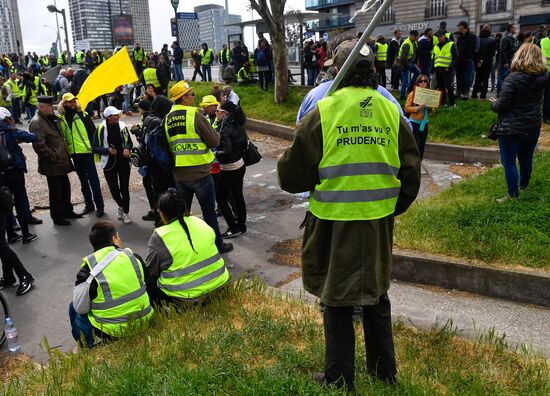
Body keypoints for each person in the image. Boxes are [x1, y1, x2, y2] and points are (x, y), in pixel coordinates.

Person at [278, 38, 421, 390]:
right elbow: (411, 172)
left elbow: (291, 175)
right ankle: (383, 371)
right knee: (376, 292)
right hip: (377, 223)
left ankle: (339, 378)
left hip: (333, 222)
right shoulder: (390, 111)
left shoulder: (323, 111)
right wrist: (389, 207)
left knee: (337, 298)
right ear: (373, 71)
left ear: (335, 71)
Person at [165, 81, 233, 254]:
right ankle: (217, 245)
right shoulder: (193, 115)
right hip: (200, 173)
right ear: (184, 98)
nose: (194, 97)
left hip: (180, 175)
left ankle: (188, 248)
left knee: (183, 216)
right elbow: (214, 141)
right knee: (209, 213)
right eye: (191, 94)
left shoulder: (167, 118)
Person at [70, 221, 153, 349]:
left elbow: (81, 308)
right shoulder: (133, 258)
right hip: (144, 321)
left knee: (73, 307)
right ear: (114, 239)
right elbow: (151, 288)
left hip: (111, 332)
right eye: (118, 236)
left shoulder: (88, 270)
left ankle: (87, 346)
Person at [144, 189, 230, 305]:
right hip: (221, 285)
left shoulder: (160, 236)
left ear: (162, 213)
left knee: (148, 283)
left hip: (187, 298)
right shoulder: (199, 222)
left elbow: (150, 272)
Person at [490, 44, 548, 203]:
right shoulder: (543, 76)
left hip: (512, 128)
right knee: (526, 158)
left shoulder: (513, 78)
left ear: (519, 56)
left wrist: (493, 104)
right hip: (533, 125)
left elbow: (502, 105)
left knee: (508, 162)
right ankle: (523, 186)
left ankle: (513, 195)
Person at [30, 96, 81, 226]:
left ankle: (67, 211)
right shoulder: (37, 122)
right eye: (49, 106)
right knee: (56, 192)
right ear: (42, 107)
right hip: (52, 164)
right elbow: (39, 146)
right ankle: (58, 218)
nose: (52, 108)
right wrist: (55, 157)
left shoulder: (50, 118)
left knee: (65, 188)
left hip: (60, 161)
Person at [58, 93, 105, 217]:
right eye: (70, 102)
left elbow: (93, 133)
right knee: (83, 182)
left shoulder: (82, 115)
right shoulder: (61, 119)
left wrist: (93, 149)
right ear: (64, 103)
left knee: (94, 181)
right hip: (74, 154)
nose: (73, 103)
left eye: (74, 101)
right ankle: (89, 205)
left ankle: (100, 207)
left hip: (86, 152)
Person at [0, 107, 37, 244]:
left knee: (6, 204)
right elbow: (32, 137)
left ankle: (11, 235)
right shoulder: (11, 131)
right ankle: (26, 234)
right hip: (15, 171)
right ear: (7, 118)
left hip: (2, 173)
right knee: (20, 202)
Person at [93, 106, 133, 224]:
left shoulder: (122, 126)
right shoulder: (101, 128)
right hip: (109, 164)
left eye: (117, 115)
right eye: (115, 115)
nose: (118, 117)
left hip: (124, 162)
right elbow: (94, 147)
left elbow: (129, 142)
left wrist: (127, 148)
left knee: (124, 188)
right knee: (114, 189)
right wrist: (107, 151)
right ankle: (121, 205)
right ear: (108, 117)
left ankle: (126, 213)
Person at [214, 100, 248, 238]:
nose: (216, 114)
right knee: (238, 195)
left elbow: (227, 151)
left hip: (229, 168)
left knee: (220, 197)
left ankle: (233, 228)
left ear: (225, 114)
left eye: (218, 111)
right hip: (240, 165)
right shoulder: (237, 124)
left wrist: (215, 153)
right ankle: (241, 225)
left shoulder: (226, 129)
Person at [141, 95, 175, 221]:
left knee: (157, 190)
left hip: (151, 161)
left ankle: (157, 213)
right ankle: (164, 217)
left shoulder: (148, 118)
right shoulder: (157, 122)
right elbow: (163, 144)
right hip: (159, 163)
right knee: (164, 191)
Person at [405, 75, 434, 159]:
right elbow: (407, 108)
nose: (423, 83)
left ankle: (419, 164)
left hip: (425, 123)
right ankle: (413, 163)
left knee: (422, 147)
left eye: (425, 81)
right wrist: (418, 108)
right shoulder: (413, 93)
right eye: (420, 81)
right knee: (415, 146)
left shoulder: (429, 94)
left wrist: (430, 108)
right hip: (414, 123)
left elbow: (432, 111)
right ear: (417, 83)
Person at [433, 31, 457, 107]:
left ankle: (452, 103)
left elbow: (456, 57)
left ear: (444, 36)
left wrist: (450, 67)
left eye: (440, 36)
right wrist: (433, 69)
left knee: (449, 87)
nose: (439, 38)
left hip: (447, 69)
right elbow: (434, 58)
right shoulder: (436, 46)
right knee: (441, 87)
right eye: (438, 37)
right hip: (438, 69)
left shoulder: (451, 44)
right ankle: (443, 102)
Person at [472, 25, 496, 100]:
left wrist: (478, 61)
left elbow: (475, 52)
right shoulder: (492, 40)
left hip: (478, 62)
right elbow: (492, 53)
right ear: (489, 30)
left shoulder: (477, 39)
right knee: (485, 79)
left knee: (477, 78)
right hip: (488, 62)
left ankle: (474, 95)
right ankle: (483, 96)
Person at [455, 21, 477, 99]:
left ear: (463, 26)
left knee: (467, 77)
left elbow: (472, 48)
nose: (458, 28)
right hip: (459, 60)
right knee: (459, 76)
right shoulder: (460, 37)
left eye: (459, 26)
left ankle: (465, 92)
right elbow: (458, 48)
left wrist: (467, 58)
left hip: (467, 60)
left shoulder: (472, 36)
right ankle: (458, 91)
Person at [397, 30, 420, 99]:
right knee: (405, 80)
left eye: (416, 37)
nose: (416, 38)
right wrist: (408, 66)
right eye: (415, 37)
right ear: (411, 36)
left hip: (410, 62)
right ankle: (402, 95)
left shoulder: (414, 42)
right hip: (405, 63)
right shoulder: (407, 44)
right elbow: (403, 58)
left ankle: (410, 87)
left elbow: (414, 53)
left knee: (418, 72)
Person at [497, 24, 518, 96]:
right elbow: (503, 51)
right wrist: (505, 62)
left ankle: (505, 93)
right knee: (502, 77)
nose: (515, 30)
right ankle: (499, 93)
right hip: (505, 62)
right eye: (514, 28)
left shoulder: (512, 38)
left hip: (510, 60)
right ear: (511, 29)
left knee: (508, 78)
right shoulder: (505, 38)